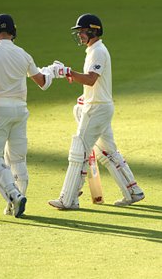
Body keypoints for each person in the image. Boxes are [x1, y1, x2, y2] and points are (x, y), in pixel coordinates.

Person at [0, 14, 70, 217]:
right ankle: (15, 202)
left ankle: (14, 196)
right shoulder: (23, 54)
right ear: (13, 32)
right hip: (20, 111)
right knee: (18, 158)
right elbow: (42, 82)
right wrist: (52, 71)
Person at [48, 13, 145, 209]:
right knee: (107, 152)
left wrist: (67, 72)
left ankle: (69, 199)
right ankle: (133, 191)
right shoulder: (94, 50)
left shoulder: (98, 51)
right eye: (80, 32)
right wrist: (86, 93)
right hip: (99, 105)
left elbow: (91, 78)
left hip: (97, 109)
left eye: (83, 31)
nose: (80, 35)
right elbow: (93, 82)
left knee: (79, 152)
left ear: (93, 31)